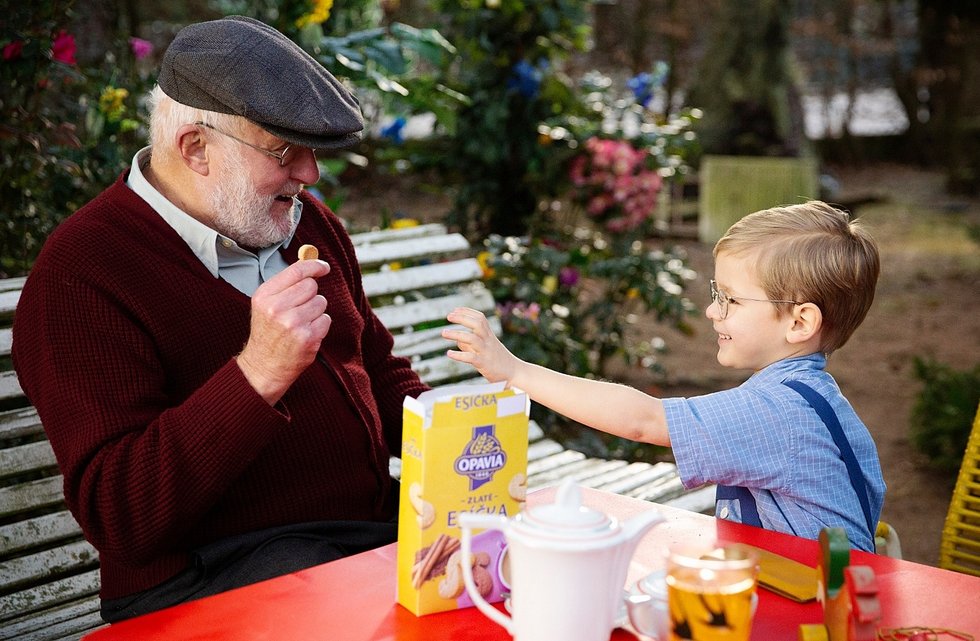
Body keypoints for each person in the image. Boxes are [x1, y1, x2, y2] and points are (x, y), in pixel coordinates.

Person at [12, 16, 428, 621]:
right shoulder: (82, 275)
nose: (311, 174)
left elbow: (376, 368)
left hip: (358, 537)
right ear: (196, 149)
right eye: (286, 150)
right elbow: (122, 517)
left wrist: (462, 450)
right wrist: (259, 373)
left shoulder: (303, 222)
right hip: (208, 575)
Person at [443, 201, 886, 552]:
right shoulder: (812, 397)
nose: (713, 311)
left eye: (730, 299)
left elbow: (644, 420)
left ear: (799, 323)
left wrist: (515, 370)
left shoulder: (779, 413)